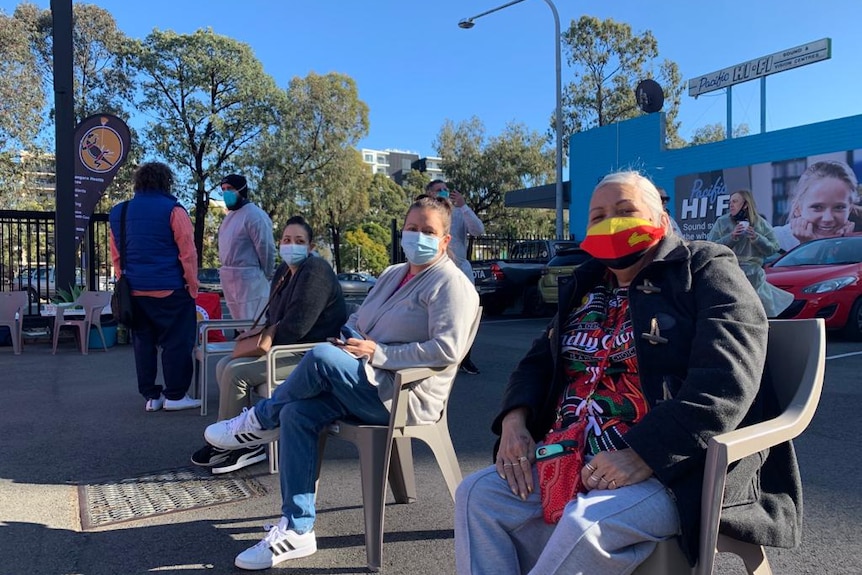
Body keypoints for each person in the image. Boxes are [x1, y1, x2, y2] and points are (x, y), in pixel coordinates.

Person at [454, 170, 801, 574]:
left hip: (680, 464)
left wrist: (645, 452)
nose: (611, 222)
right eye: (598, 216)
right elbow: (537, 361)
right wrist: (515, 421)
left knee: (588, 523)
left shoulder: (706, 268)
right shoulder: (586, 283)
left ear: (661, 219)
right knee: (478, 495)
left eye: (625, 210)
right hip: (569, 453)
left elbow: (726, 381)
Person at [204, 196, 479, 570]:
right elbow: (360, 320)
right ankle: (298, 529)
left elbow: (446, 350)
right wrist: (348, 339)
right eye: (412, 229)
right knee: (299, 413)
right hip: (363, 380)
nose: (418, 237)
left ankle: (258, 421)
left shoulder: (452, 284)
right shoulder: (393, 274)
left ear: (446, 240)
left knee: (318, 357)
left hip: (402, 395)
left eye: (429, 231)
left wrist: (377, 353)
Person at [191, 215, 348, 474]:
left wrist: (266, 339)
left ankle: (239, 446)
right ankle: (236, 439)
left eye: (299, 241)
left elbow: (298, 327)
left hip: (309, 353)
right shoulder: (284, 272)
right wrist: (259, 335)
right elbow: (275, 318)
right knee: (224, 364)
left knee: (237, 371)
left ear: (310, 247)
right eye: (287, 239)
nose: (291, 245)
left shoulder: (316, 271)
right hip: (285, 348)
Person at [109, 162, 201, 412]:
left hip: (135, 292)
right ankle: (175, 395)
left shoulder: (119, 212)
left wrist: (124, 281)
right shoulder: (174, 210)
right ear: (165, 182)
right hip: (170, 289)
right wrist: (192, 286)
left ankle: (151, 396)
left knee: (143, 343)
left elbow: (116, 255)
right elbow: (188, 253)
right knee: (176, 342)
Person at [425, 179, 484, 374]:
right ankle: (437, 356)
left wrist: (464, 206)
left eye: (445, 189)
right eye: (438, 190)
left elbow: (478, 230)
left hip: (460, 271)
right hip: (436, 272)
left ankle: (465, 357)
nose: (443, 192)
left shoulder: (459, 212)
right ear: (429, 194)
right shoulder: (425, 215)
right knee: (437, 315)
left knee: (467, 315)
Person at [707, 189, 791, 317]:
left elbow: (774, 248)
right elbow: (711, 246)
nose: (731, 205)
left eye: (735, 201)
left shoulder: (760, 223)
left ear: (745, 205)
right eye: (730, 202)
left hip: (754, 276)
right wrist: (732, 236)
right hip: (729, 272)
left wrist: (756, 237)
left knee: (757, 311)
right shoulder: (722, 222)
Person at [218, 173, 276, 321]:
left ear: (241, 190)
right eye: (223, 189)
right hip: (230, 279)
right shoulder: (228, 218)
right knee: (238, 325)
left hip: (251, 281)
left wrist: (266, 274)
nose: (226, 193)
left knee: (254, 323)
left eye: (229, 188)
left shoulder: (255, 216)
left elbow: (266, 249)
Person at [773, 160, 858, 252]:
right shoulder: (774, 240)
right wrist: (809, 246)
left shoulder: (856, 244)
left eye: (839, 207)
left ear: (850, 209)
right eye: (817, 207)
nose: (827, 219)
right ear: (798, 208)